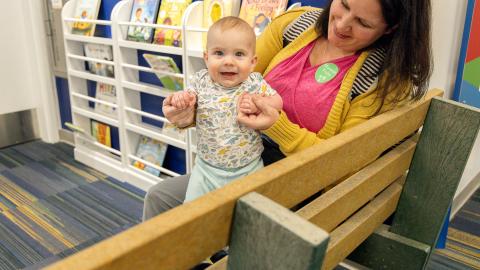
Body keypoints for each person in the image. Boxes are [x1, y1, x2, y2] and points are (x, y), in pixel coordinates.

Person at [143, 0, 432, 221]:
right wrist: (190, 115)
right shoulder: (294, 26)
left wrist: (276, 126)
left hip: (302, 182)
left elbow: (342, 165)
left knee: (203, 220)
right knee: (159, 198)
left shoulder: (383, 79)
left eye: (363, 23)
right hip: (243, 160)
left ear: (391, 28)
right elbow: (228, 85)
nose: (341, 24)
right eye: (342, 4)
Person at [165, 16, 282, 203]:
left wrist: (259, 103)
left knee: (249, 219)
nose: (228, 61)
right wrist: (180, 100)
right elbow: (185, 99)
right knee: (192, 216)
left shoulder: (255, 83)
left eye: (239, 54)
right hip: (206, 171)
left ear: (253, 62)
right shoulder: (200, 81)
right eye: (219, 53)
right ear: (206, 57)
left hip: (249, 169)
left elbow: (278, 101)